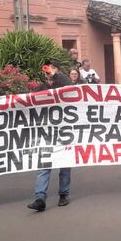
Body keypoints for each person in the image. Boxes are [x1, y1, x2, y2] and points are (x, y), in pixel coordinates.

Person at [28, 61, 73, 212]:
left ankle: (63, 194)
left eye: (53, 68)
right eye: (47, 69)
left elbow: (70, 87)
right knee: (44, 165)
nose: (49, 71)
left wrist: (57, 76)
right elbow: (27, 102)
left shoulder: (63, 85)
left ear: (57, 70)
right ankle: (40, 198)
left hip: (65, 131)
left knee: (65, 165)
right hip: (46, 133)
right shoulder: (40, 89)